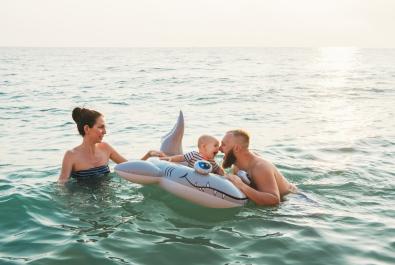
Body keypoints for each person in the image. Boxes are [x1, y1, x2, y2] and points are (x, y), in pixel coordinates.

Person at [58, 107, 164, 184]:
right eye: (101, 127)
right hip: (85, 205)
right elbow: (62, 186)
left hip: (108, 200)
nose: (105, 131)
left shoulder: (106, 148)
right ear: (87, 129)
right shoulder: (71, 155)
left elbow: (130, 167)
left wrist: (148, 155)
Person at [220, 129, 297, 206]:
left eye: (223, 145)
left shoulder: (260, 167)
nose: (219, 149)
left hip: (294, 200)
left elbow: (275, 200)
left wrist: (242, 186)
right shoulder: (238, 165)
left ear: (237, 148)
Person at [161, 135, 225, 175]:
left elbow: (218, 170)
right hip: (191, 177)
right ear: (204, 147)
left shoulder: (212, 162)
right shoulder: (193, 154)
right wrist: (171, 159)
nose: (218, 148)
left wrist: (223, 175)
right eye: (215, 145)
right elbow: (181, 157)